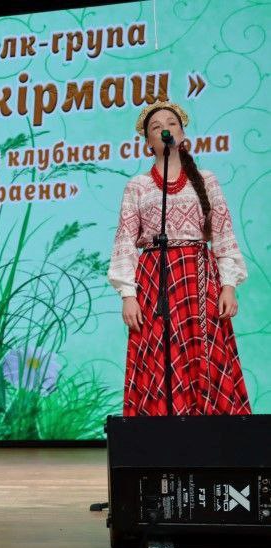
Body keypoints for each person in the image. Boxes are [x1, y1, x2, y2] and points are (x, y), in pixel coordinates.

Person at [108, 100, 249, 416]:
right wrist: (128, 295)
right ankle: (160, 447)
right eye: (155, 128)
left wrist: (228, 286)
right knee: (159, 359)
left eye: (170, 123)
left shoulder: (207, 180)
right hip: (154, 281)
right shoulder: (139, 187)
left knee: (207, 356)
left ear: (182, 134)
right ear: (148, 143)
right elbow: (125, 244)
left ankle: (214, 448)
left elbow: (224, 236)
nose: (164, 129)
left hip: (197, 280)